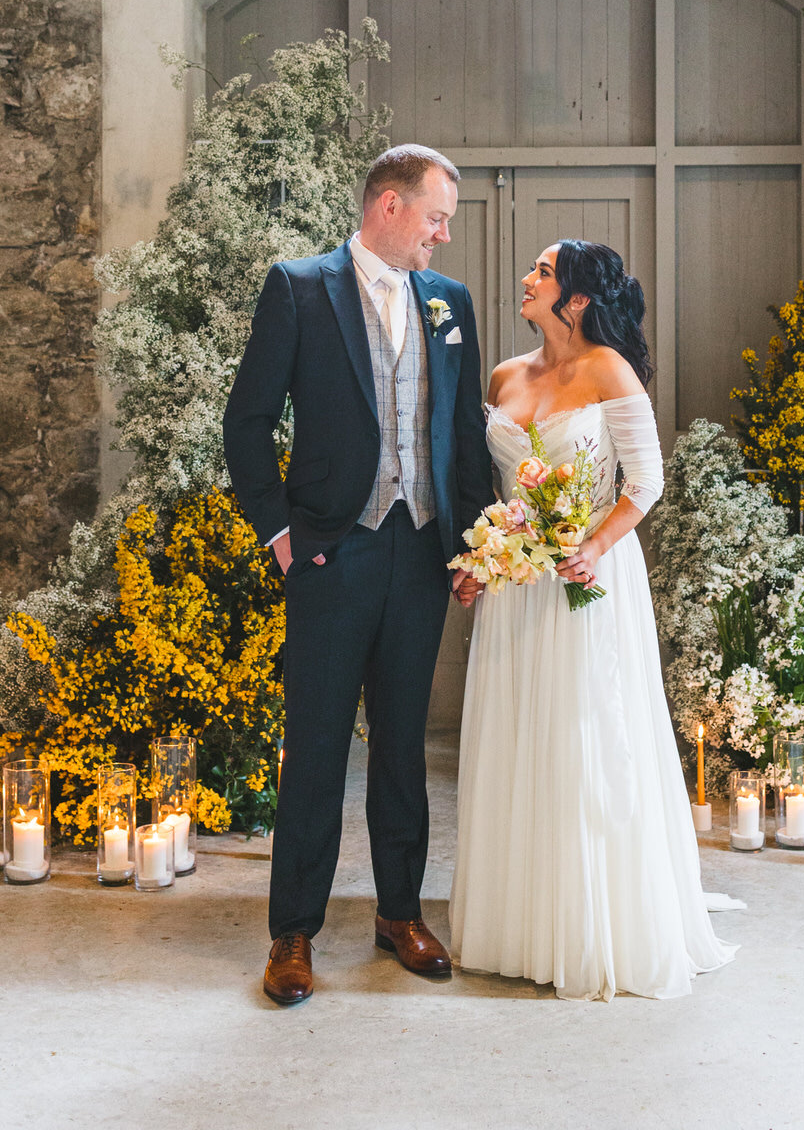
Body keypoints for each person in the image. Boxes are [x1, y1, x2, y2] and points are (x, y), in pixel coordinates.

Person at [223, 144, 493, 1005]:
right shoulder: (299, 286)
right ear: (387, 204)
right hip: (331, 553)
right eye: (436, 216)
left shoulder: (450, 303)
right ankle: (293, 932)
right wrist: (279, 534)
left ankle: (399, 912)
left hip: (419, 552)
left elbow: (458, 437)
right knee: (317, 749)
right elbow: (247, 421)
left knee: (404, 745)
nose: (444, 235)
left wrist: (473, 545)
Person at [449, 239, 738, 1001]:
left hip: (589, 579)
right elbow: (492, 490)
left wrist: (593, 548)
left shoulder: (609, 370)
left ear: (575, 298)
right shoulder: (506, 375)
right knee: (521, 736)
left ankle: (594, 923)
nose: (526, 278)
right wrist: (483, 562)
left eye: (542, 272)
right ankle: (517, 922)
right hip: (518, 589)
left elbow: (646, 481)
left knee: (587, 737)